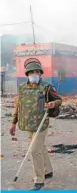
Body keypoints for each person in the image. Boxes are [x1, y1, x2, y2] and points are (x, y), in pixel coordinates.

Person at [9, 58, 62, 190]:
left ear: (40, 73)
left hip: (41, 124)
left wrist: (53, 103)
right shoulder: (22, 87)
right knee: (40, 148)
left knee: (34, 150)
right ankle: (48, 170)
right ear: (27, 74)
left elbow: (59, 100)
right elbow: (18, 106)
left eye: (37, 72)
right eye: (32, 72)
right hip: (28, 124)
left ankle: (39, 180)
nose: (34, 74)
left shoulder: (46, 87)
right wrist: (13, 123)